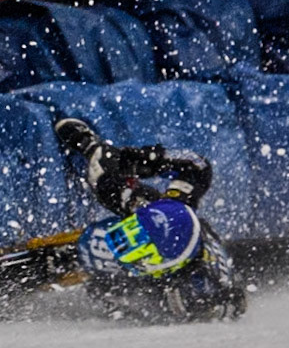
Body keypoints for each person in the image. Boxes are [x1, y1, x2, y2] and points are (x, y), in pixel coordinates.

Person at [53, 118, 246, 323]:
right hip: (173, 235)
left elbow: (231, 305)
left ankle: (76, 260)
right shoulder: (174, 206)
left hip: (158, 277)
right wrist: (152, 161)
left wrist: (110, 294)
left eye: (141, 251)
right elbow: (198, 165)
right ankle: (89, 144)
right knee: (106, 178)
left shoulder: (200, 292)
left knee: (113, 282)